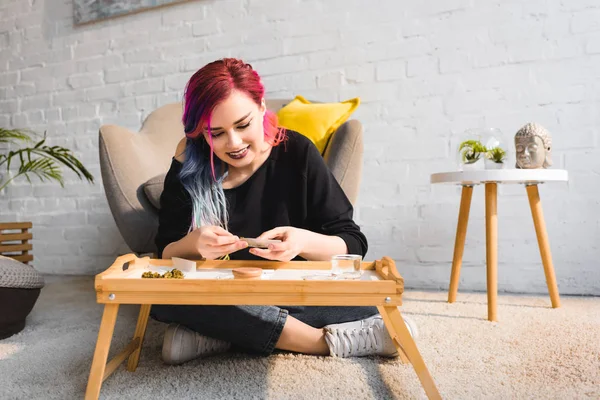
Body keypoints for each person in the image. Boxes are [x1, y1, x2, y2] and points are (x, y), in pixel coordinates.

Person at [150, 58, 417, 365]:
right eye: (217, 133)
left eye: (243, 124)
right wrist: (193, 244)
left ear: (262, 107)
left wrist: (302, 242)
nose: (234, 143)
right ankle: (327, 342)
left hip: (288, 289)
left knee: (363, 301)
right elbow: (164, 255)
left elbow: (352, 243)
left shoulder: (296, 151)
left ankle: (219, 334)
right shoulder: (189, 159)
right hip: (218, 291)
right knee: (166, 297)